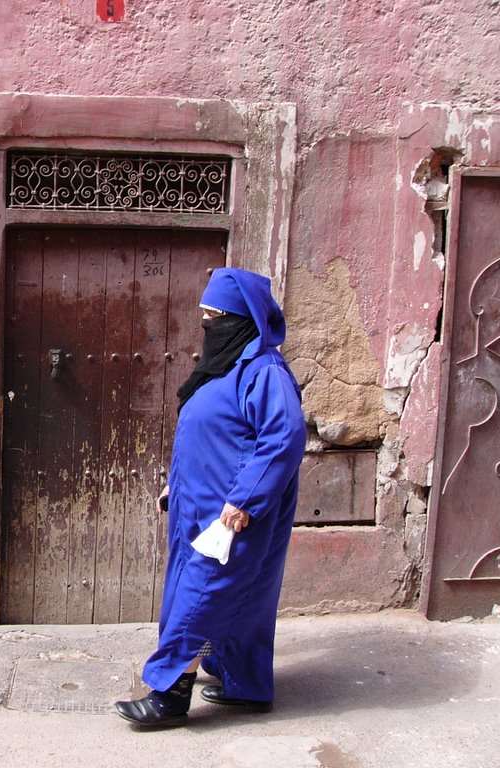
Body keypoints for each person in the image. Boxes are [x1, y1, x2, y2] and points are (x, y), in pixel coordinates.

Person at [115, 267, 306, 728]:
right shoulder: (224, 367)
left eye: (215, 315)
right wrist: (172, 483)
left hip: (231, 514)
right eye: (205, 315)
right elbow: (205, 437)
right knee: (240, 595)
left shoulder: (264, 372)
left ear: (241, 320)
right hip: (197, 504)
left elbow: (285, 436)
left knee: (199, 594)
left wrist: (245, 500)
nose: (207, 323)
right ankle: (247, 684)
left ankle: (168, 696)